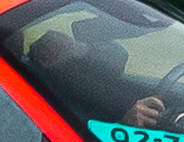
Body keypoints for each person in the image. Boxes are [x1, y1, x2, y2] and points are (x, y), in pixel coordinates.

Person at [23, 28, 168, 129]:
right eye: (72, 60)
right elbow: (75, 138)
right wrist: (123, 125)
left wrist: (80, 48)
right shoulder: (43, 98)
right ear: (46, 62)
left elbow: (118, 57)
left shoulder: (89, 80)